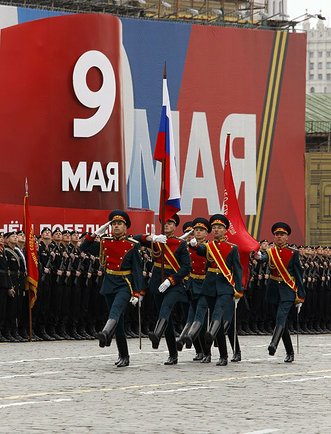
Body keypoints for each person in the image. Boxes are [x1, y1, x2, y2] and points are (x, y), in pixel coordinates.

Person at [80, 210, 144, 368]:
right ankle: (124, 355)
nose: (116, 227)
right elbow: (84, 248)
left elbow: (137, 270)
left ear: (125, 227)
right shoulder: (105, 242)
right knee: (119, 322)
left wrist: (138, 292)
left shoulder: (132, 245)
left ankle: (105, 333)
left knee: (115, 311)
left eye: (119, 224)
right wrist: (94, 234)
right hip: (109, 283)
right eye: (114, 224)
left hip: (124, 283)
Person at [184, 214, 243, 366]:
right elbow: (200, 250)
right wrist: (194, 245)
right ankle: (196, 339)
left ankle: (222, 354)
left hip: (225, 287)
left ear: (225, 230)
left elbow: (237, 270)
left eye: (220, 228)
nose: (216, 230)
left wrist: (239, 290)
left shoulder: (232, 248)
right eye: (214, 228)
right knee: (202, 313)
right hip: (208, 286)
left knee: (217, 316)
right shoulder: (208, 246)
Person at [137, 214, 191, 365]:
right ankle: (173, 354)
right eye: (165, 223)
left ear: (175, 226)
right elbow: (135, 238)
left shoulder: (180, 244)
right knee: (166, 318)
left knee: (166, 308)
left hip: (174, 284)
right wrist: (151, 238)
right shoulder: (157, 241)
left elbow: (187, 267)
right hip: (156, 282)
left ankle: (156, 333)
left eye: (170, 223)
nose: (166, 226)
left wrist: (171, 280)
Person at [258, 222, 305, 362]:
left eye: (282, 235)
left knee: (281, 317)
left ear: (287, 237)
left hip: (287, 290)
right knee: (278, 321)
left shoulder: (293, 253)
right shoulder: (270, 252)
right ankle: (290, 352)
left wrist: (301, 296)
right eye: (277, 235)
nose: (279, 237)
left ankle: (273, 344)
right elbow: (264, 258)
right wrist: (259, 257)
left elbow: (298, 275)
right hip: (273, 290)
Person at [176, 217, 211, 362]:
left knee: (200, 317)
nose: (197, 233)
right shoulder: (186, 247)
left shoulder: (210, 246)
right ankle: (197, 349)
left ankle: (203, 350)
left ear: (206, 233)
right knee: (191, 315)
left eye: (201, 230)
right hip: (191, 284)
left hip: (205, 284)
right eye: (195, 230)